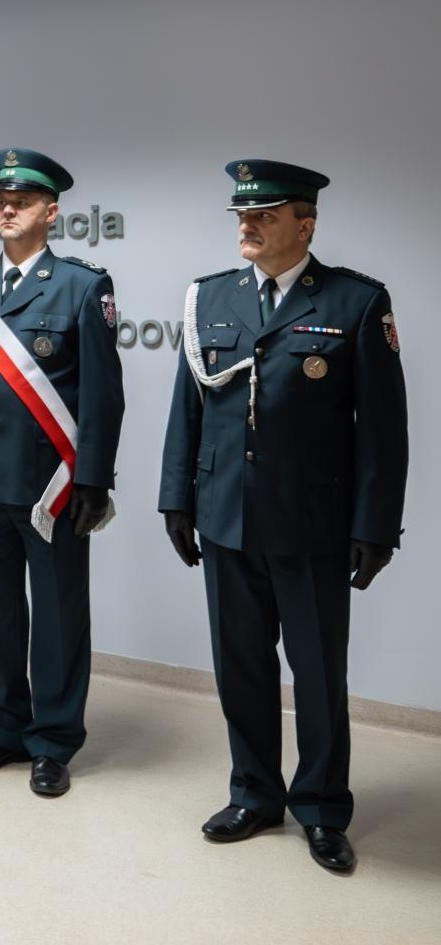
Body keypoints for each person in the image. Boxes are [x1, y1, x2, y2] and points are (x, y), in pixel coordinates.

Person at [159, 159, 407, 875]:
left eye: (264, 214)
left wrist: (374, 524)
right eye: (241, 213)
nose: (246, 223)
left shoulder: (355, 302)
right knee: (238, 668)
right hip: (225, 516)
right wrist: (176, 495)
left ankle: (323, 807)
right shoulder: (207, 299)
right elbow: (188, 407)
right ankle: (253, 793)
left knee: (318, 674)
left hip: (312, 526)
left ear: (305, 223)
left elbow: (382, 430)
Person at [0, 149, 124, 797]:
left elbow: (102, 396)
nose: (6, 208)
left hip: (49, 489)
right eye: (0, 199)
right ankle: (3, 729)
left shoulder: (82, 287)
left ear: (50, 213)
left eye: (21, 201)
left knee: (55, 616)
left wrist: (92, 481)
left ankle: (52, 741)